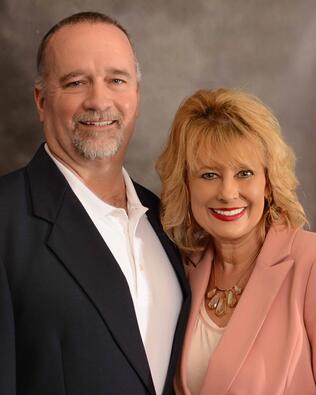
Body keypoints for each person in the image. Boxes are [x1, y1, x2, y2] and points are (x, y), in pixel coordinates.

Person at [0, 12, 190, 395]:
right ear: (41, 100)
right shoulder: (5, 219)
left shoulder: (170, 220)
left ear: (135, 95)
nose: (99, 100)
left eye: (116, 80)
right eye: (75, 83)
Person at [156, 88, 316, 394]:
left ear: (268, 184)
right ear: (186, 185)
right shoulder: (181, 269)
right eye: (209, 175)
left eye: (244, 173)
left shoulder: (310, 264)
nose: (228, 193)